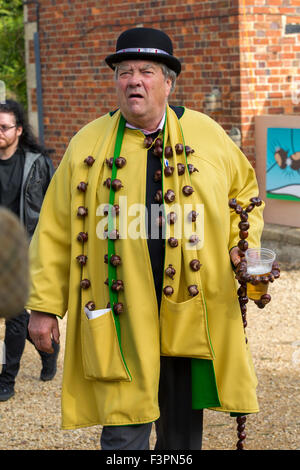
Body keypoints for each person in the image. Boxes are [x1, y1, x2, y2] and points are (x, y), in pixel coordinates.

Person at [27, 28, 265, 450]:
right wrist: (44, 306)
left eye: (146, 71)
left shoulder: (208, 136)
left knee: (181, 439)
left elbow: (245, 198)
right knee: (123, 432)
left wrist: (239, 246)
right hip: (119, 312)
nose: (134, 80)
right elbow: (55, 227)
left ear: (168, 82)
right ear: (116, 81)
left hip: (187, 309)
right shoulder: (88, 142)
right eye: (124, 71)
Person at [0, 99, 58, 402]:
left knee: (15, 313)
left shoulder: (37, 162)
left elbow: (54, 205)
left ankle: (6, 379)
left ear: (19, 130)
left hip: (26, 248)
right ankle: (46, 347)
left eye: (4, 126)